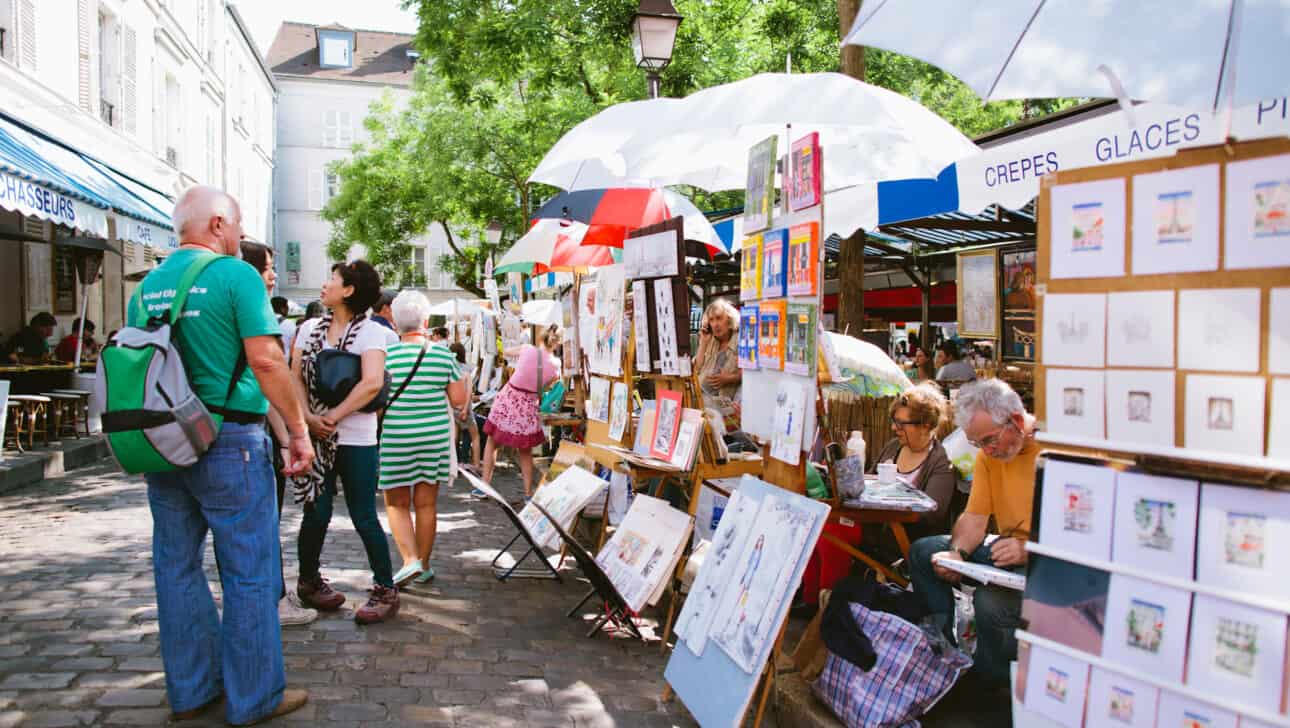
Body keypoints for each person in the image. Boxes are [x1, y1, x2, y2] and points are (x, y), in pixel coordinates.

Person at [136, 186, 313, 724]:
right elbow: (265, 361)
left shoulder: (148, 285)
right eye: (235, 226)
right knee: (249, 572)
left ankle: (191, 692)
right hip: (228, 439)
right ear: (217, 224)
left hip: (163, 441)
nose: (238, 237)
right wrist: (299, 432)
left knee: (176, 566)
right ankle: (254, 696)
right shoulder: (235, 275)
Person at [909, 378, 1037, 690]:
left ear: (1017, 422)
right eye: (978, 444)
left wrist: (1031, 549)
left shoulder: (1056, 452)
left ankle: (992, 686)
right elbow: (975, 516)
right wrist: (958, 553)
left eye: (989, 440)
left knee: (990, 601)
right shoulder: (988, 457)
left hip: (1049, 559)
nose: (987, 450)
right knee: (926, 551)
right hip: (1008, 548)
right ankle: (945, 654)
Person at [290, 260, 399, 624]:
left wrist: (333, 418)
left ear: (349, 290)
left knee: (364, 513)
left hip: (357, 435)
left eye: (332, 280)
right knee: (315, 512)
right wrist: (308, 418)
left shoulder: (371, 332)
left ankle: (386, 588)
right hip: (316, 434)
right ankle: (308, 581)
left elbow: (371, 382)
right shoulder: (308, 330)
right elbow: (294, 379)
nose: (324, 285)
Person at [238, 241, 319, 628]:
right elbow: (265, 370)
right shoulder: (250, 309)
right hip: (247, 434)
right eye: (268, 268)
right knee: (262, 525)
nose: (273, 275)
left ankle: (263, 602)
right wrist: (293, 435)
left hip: (227, 431)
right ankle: (270, 602)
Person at [381, 291, 467, 585]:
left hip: (396, 435)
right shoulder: (443, 354)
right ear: (426, 321)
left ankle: (409, 560)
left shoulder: (386, 356)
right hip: (434, 436)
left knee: (396, 502)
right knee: (427, 503)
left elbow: (377, 402)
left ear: (394, 322)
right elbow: (458, 400)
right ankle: (425, 566)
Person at [481, 323, 561, 499]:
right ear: (557, 343)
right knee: (525, 450)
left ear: (541, 337)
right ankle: (527, 492)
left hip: (509, 397)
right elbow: (546, 387)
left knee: (492, 441)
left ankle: (485, 485)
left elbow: (507, 352)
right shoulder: (556, 365)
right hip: (529, 404)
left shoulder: (527, 349)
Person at [871, 383, 957, 540]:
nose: (893, 428)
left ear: (925, 426)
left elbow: (932, 513)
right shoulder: (893, 447)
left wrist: (889, 509)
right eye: (893, 421)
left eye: (901, 423)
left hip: (909, 542)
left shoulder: (941, 462)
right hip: (876, 533)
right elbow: (868, 480)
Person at [694, 299, 742, 402]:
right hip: (699, 396)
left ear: (729, 320)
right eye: (711, 320)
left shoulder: (740, 341)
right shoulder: (710, 339)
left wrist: (730, 378)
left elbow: (750, 373)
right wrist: (703, 343)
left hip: (724, 403)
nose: (715, 324)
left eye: (719, 318)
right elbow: (696, 368)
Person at [448, 342, 482, 471]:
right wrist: (465, 409)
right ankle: (476, 465)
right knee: (475, 436)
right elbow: (468, 392)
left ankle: (453, 465)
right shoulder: (466, 370)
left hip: (453, 408)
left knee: (454, 437)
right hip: (464, 408)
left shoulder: (450, 370)